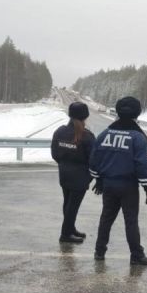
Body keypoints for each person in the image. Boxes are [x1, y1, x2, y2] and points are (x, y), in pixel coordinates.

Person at [90, 96, 147, 265]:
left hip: (108, 184)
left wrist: (98, 179)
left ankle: (99, 251)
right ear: (137, 113)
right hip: (128, 186)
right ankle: (136, 255)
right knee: (131, 221)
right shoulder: (138, 137)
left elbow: (95, 159)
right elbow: (143, 164)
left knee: (106, 218)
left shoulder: (105, 134)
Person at [51, 102, 95, 243]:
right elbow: (93, 159)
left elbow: (55, 154)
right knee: (72, 206)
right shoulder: (87, 136)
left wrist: (64, 164)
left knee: (68, 203)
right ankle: (65, 235)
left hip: (64, 174)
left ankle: (70, 228)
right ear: (85, 117)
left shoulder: (60, 131)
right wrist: (89, 176)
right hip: (80, 177)